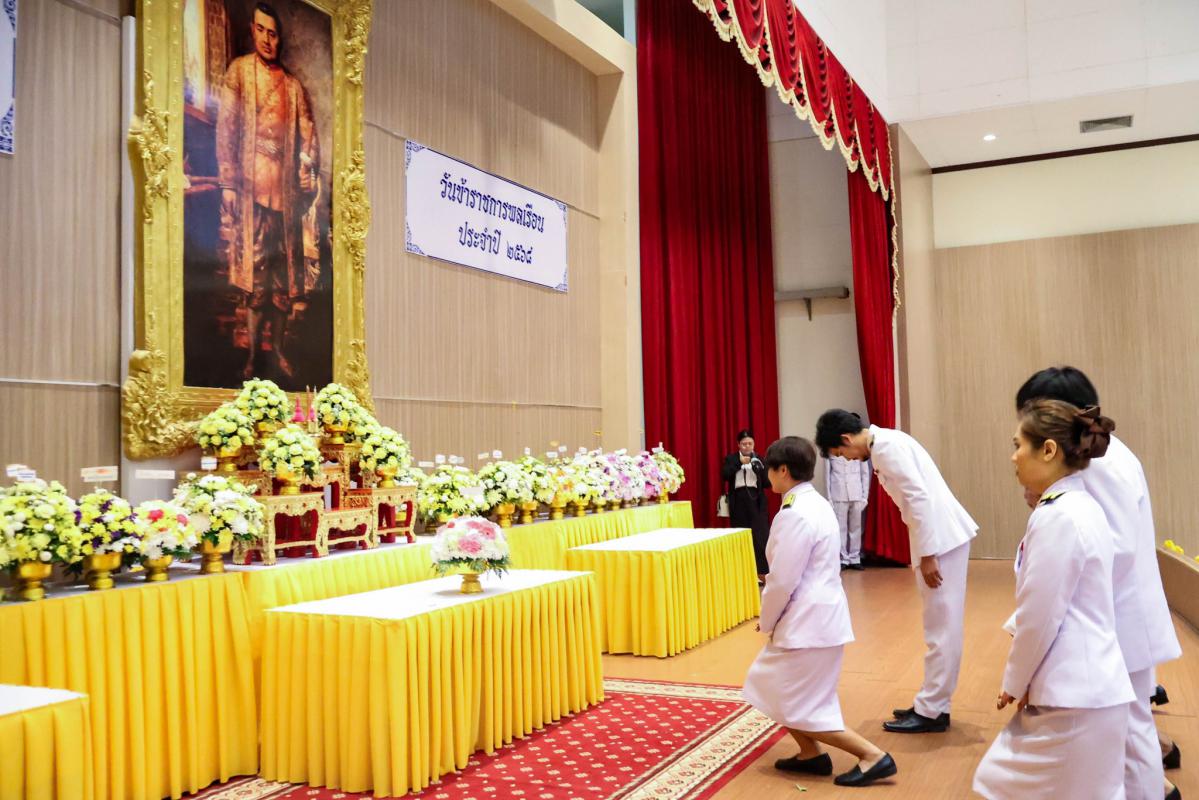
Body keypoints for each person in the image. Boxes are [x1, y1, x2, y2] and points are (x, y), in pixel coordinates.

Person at [1016, 367, 1182, 800]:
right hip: (1123, 611)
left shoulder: (1097, 463)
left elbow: (1115, 547)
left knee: (1130, 732)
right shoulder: (1105, 451)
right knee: (1130, 729)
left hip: (1113, 616)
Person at [974, 399, 1134, 797]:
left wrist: (1015, 681)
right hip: (1088, 692)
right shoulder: (1079, 506)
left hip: (1074, 697)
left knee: (998, 783)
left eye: (1018, 445)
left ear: (1048, 450)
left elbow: (1040, 615)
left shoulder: (1059, 515)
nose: (1013, 457)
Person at [742, 436, 897, 788]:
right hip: (821, 616)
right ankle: (810, 753)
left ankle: (872, 755)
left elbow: (782, 580)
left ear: (783, 470)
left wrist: (767, 620)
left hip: (806, 621)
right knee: (772, 689)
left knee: (797, 701)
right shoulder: (817, 502)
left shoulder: (794, 514)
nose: (768, 476)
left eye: (771, 470)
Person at [815, 410, 977, 734]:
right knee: (938, 626)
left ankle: (933, 710)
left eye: (840, 453)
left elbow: (918, 498)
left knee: (941, 627)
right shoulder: (886, 442)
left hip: (940, 541)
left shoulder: (886, 448)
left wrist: (928, 554)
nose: (846, 459)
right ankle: (932, 702)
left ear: (846, 439)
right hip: (939, 538)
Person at [217, 2, 321, 381]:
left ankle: (276, 351)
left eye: (273, 33)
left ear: (280, 38)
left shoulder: (293, 88)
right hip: (252, 192)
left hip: (285, 198)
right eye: (261, 30)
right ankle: (251, 357)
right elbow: (227, 128)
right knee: (256, 278)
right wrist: (228, 181)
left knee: (280, 283)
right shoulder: (239, 72)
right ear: (252, 30)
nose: (266, 39)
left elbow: (308, 137)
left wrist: (308, 169)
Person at [721, 430, 770, 577]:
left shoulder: (759, 459)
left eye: (750, 443)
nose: (747, 446)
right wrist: (739, 463)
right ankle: (742, 572)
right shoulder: (731, 459)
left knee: (760, 537)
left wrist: (757, 468)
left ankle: (762, 572)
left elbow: (767, 483)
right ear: (738, 444)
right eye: (744, 444)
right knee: (740, 536)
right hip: (738, 500)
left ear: (753, 444)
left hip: (756, 500)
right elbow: (725, 475)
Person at [825, 449, 871, 569]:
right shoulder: (831, 450)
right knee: (840, 528)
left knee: (856, 528)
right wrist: (829, 498)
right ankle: (843, 559)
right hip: (838, 494)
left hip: (856, 493)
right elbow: (827, 475)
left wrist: (865, 497)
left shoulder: (856, 448)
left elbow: (865, 474)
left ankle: (855, 558)